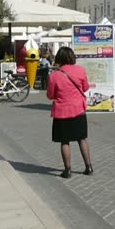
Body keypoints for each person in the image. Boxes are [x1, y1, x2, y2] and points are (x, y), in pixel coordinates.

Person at [47, 46, 93, 178]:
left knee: (64, 141)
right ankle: (88, 166)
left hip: (62, 112)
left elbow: (50, 96)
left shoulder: (54, 76)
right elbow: (85, 88)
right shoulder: (80, 70)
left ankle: (67, 170)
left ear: (59, 59)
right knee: (82, 139)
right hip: (78, 109)